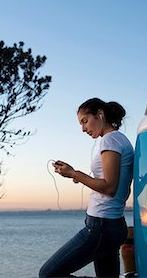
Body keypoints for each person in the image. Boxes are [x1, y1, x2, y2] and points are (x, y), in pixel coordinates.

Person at [39, 98, 134, 278]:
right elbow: (118, 186)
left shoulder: (110, 140)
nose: (83, 128)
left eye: (85, 121)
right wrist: (78, 176)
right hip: (113, 224)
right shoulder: (121, 140)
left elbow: (109, 187)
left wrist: (75, 174)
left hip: (101, 226)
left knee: (48, 274)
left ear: (100, 114)